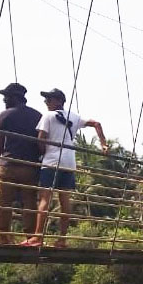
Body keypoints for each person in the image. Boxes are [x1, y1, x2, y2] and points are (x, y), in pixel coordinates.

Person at [22, 88, 107, 247]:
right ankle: (62, 239)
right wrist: (103, 144)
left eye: (49, 99)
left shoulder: (47, 116)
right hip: (69, 163)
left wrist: (42, 154)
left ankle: (37, 237)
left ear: (59, 101)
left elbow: (41, 140)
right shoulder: (74, 117)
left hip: (51, 162)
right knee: (65, 200)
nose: (46, 102)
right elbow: (96, 123)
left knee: (45, 198)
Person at [0, 82, 42, 245]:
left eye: (6, 97)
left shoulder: (5, 115)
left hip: (9, 164)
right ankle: (30, 238)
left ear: (14, 98)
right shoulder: (37, 116)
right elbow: (41, 142)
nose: (4, 100)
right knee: (29, 202)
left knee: (3, 202)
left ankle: (3, 237)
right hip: (30, 166)